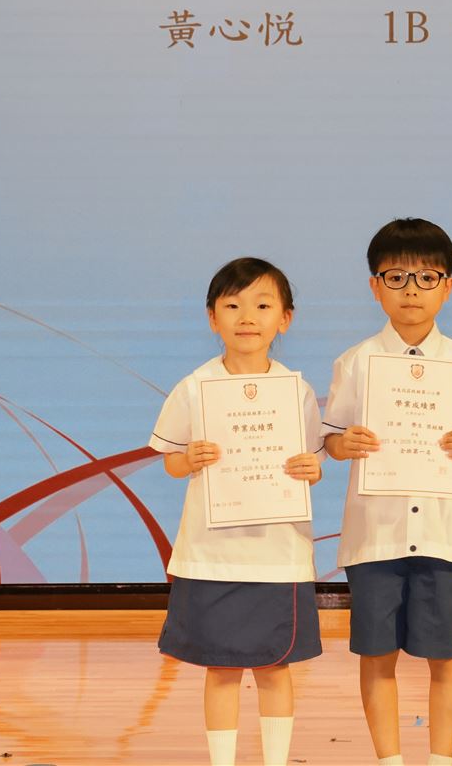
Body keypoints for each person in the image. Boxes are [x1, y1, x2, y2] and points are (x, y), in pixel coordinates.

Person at [322, 219, 452, 766]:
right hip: (375, 536)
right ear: (374, 286)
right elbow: (331, 439)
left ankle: (441, 759)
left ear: (448, 286)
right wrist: (343, 443)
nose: (411, 290)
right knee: (377, 654)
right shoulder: (355, 362)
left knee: (446, 654)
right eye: (396, 277)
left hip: (443, 535)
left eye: (427, 277)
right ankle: (389, 759)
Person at [149, 257, 325, 766]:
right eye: (232, 305)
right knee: (221, 667)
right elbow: (171, 462)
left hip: (278, 556)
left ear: (285, 318)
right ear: (212, 317)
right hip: (213, 556)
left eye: (262, 306)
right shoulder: (193, 387)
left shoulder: (297, 390)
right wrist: (190, 458)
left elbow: (312, 462)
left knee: (275, 667)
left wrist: (311, 469)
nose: (247, 317)